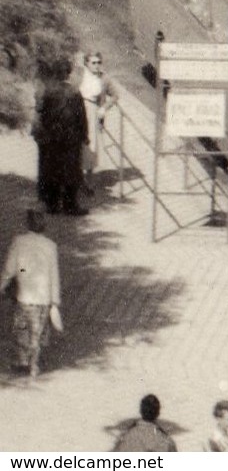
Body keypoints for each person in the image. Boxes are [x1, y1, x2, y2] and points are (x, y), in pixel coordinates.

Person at [2, 209, 61, 380]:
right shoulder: (51, 246)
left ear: (27, 224)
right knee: (37, 332)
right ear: (44, 226)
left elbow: (10, 268)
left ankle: (22, 360)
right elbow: (53, 274)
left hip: (24, 296)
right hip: (42, 298)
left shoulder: (19, 242)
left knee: (21, 329)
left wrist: (3, 284)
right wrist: (54, 301)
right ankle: (34, 364)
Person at [33, 54, 88, 215]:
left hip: (53, 138)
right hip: (71, 139)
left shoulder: (49, 92)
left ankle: (52, 204)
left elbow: (42, 114)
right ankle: (70, 205)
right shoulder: (74, 92)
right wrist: (85, 135)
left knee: (54, 169)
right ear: (68, 73)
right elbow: (81, 116)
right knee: (71, 171)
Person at [76, 52, 110, 193]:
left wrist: (104, 108)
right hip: (77, 110)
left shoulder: (103, 78)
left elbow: (115, 95)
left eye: (98, 62)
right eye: (93, 63)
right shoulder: (79, 76)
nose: (96, 66)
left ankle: (88, 183)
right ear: (86, 63)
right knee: (77, 144)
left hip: (92, 111)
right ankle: (76, 180)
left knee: (91, 145)